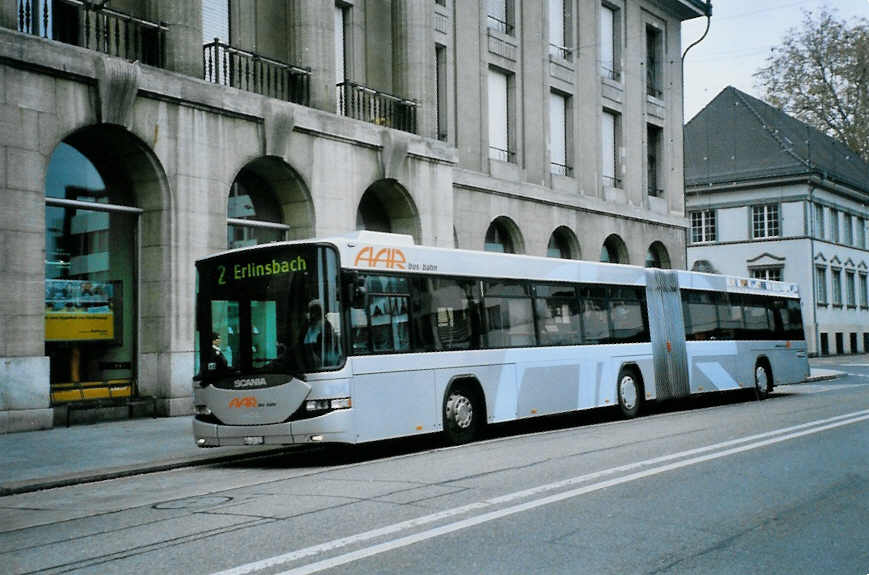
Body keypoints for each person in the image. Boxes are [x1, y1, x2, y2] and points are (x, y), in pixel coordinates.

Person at [302, 300, 337, 369]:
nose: (309, 314)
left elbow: (327, 344)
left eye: (313, 310)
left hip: (322, 359)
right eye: (310, 311)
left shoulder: (325, 325)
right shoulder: (308, 326)